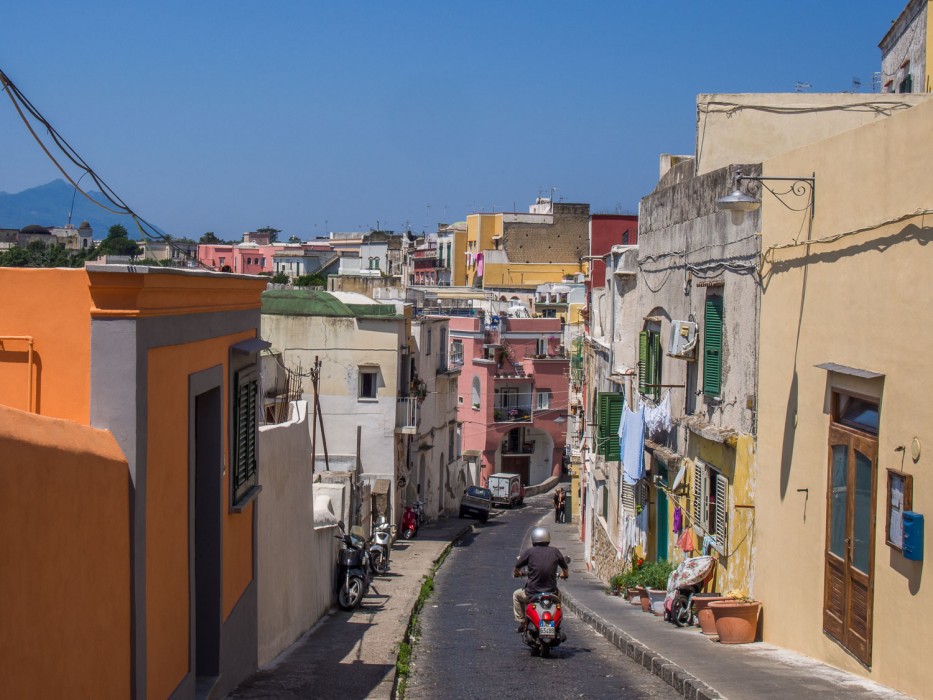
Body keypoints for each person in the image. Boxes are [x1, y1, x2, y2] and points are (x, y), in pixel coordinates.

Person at [512, 526, 570, 632]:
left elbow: (517, 567)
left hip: (532, 593)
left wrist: (517, 573)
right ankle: (557, 623)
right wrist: (564, 574)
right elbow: (565, 567)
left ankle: (523, 622)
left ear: (533, 539)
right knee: (558, 599)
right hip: (551, 592)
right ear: (548, 539)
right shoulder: (555, 551)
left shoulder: (529, 552)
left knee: (516, 595)